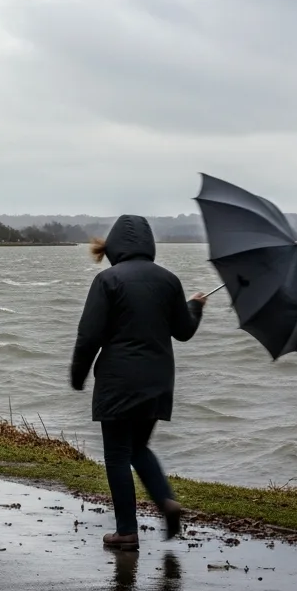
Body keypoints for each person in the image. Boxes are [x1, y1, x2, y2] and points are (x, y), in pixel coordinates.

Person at [70, 214, 207, 551]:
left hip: (118, 381)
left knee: (117, 454)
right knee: (138, 448)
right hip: (158, 381)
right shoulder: (169, 281)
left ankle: (126, 532)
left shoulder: (107, 280)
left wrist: (78, 374)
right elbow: (183, 331)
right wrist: (194, 307)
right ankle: (166, 501)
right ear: (149, 244)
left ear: (115, 246)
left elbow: (89, 335)